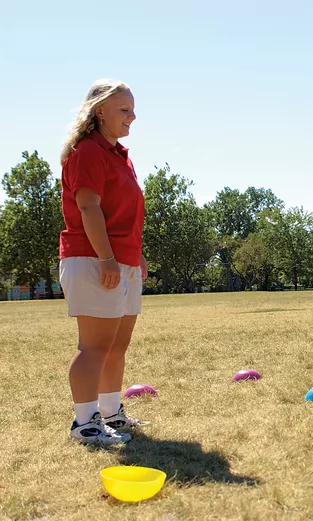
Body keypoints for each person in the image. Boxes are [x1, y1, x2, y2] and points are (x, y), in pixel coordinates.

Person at [59, 80, 148, 445]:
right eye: (124, 110)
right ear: (99, 112)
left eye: (133, 110)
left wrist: (134, 254)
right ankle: (85, 424)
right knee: (94, 347)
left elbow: (123, 212)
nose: (132, 117)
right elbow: (88, 207)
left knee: (116, 346)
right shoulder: (87, 152)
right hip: (94, 259)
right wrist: (107, 258)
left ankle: (111, 413)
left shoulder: (118, 155)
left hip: (120, 260)